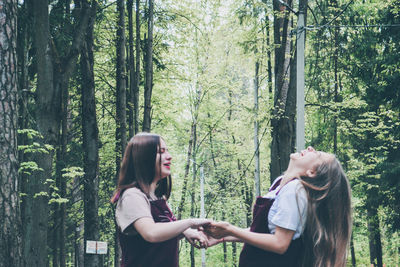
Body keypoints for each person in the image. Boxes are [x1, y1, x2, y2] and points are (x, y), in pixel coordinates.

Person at [204, 146, 352, 267]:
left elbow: (280, 243)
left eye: (317, 154)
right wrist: (223, 236)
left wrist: (230, 229)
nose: (310, 148)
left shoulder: (295, 190)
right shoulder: (281, 185)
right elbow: (265, 232)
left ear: (312, 172)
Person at [111, 133, 210, 267]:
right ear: (143, 158)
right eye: (160, 152)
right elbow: (151, 232)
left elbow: (160, 232)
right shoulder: (132, 196)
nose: (169, 157)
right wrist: (190, 222)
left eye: (167, 151)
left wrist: (185, 232)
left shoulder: (157, 197)